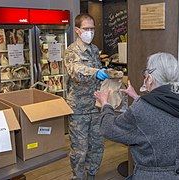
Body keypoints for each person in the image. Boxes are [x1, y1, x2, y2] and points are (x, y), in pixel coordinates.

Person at [94, 52, 179, 180]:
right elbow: (160, 114)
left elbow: (109, 129)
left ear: (150, 78)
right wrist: (137, 97)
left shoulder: (142, 109)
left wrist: (106, 104)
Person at [63, 13, 108, 180]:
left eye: (92, 29)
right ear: (77, 30)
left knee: (97, 146)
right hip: (79, 109)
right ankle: (78, 177)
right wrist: (96, 73)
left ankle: (92, 175)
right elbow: (76, 72)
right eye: (86, 29)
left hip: (95, 107)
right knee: (80, 150)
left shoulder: (95, 50)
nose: (90, 32)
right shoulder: (71, 51)